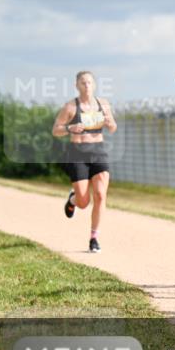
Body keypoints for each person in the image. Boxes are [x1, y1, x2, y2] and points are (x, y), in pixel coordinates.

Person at [52, 71, 118, 253]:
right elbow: (55, 130)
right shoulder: (70, 107)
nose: (86, 86)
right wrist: (69, 128)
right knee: (83, 201)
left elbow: (113, 128)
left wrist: (109, 121)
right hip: (77, 154)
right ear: (77, 86)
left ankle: (94, 237)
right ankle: (73, 199)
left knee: (100, 195)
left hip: (99, 153)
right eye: (83, 83)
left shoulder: (103, 104)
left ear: (94, 85)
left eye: (89, 82)